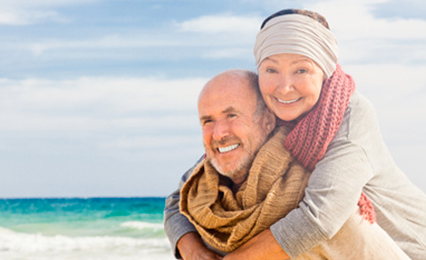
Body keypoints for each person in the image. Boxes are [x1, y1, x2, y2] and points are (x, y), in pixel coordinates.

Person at [165, 9, 426, 260]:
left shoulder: (349, 115)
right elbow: (184, 195)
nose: (285, 87)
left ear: (324, 71)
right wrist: (193, 251)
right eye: (271, 70)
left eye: (301, 70)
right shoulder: (268, 115)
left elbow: (320, 218)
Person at [175, 68, 410, 260]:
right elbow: (176, 203)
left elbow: (322, 224)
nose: (218, 134)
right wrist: (192, 248)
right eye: (208, 120)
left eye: (232, 115)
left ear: (268, 120)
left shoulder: (316, 196)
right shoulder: (202, 185)